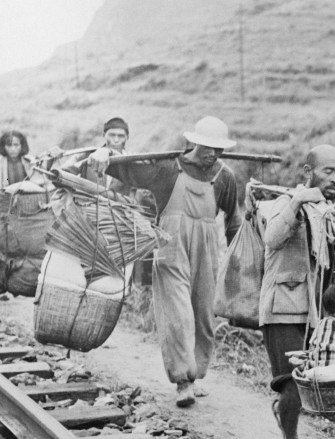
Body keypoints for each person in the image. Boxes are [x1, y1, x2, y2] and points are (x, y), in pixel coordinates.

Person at [89, 116, 241, 407]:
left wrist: (237, 260)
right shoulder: (169, 168)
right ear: (194, 142)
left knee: (203, 317)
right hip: (169, 246)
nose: (212, 153)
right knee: (177, 314)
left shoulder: (224, 176)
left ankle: (194, 373)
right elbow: (130, 170)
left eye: (218, 149)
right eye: (207, 147)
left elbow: (233, 219)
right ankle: (182, 380)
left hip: (208, 251)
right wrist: (106, 154)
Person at [259, 144, 335, 439]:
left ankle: (286, 418)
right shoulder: (286, 203)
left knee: (305, 378)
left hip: (312, 312)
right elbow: (272, 237)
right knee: (294, 380)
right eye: (328, 171)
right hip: (283, 307)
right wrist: (297, 200)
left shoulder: (326, 212)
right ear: (309, 173)